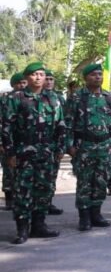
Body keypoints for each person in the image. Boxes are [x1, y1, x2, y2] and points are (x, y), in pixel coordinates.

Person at [1, 62, 66, 244]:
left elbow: (60, 124)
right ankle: (22, 229)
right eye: (34, 74)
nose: (38, 77)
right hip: (23, 152)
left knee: (43, 189)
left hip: (46, 152)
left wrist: (60, 148)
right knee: (23, 190)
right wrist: (10, 153)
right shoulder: (16, 98)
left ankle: (39, 225)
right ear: (27, 77)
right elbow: (7, 127)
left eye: (41, 74)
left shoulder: (52, 98)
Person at [65, 63, 111, 232]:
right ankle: (84, 216)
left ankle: (96, 214)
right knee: (84, 182)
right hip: (84, 146)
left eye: (99, 74)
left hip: (104, 146)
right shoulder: (77, 97)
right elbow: (68, 123)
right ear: (85, 78)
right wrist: (69, 145)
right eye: (93, 75)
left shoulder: (109, 97)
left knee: (101, 180)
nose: (97, 77)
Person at [1, 72, 26, 210]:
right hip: (8, 141)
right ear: (13, 85)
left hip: (24, 143)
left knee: (21, 172)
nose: (22, 85)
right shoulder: (5, 99)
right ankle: (9, 198)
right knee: (9, 171)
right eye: (19, 83)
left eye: (24, 83)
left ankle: (20, 198)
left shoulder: (28, 98)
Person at [43, 69, 66, 215]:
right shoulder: (34, 97)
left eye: (52, 79)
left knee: (52, 175)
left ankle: (48, 202)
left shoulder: (59, 98)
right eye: (47, 78)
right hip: (36, 145)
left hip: (53, 145)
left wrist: (62, 145)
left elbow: (63, 123)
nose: (49, 82)